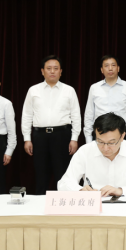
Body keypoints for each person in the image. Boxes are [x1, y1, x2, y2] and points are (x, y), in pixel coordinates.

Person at [58, 112, 126, 196]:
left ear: (122, 136)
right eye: (100, 141)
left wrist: (121, 191)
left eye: (111, 143)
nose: (105, 148)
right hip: (94, 207)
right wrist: (80, 190)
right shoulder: (85, 151)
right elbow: (63, 183)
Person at [22, 55, 82, 194]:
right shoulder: (33, 90)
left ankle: (63, 202)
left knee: (62, 173)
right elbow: (27, 115)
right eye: (49, 68)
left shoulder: (69, 90)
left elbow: (76, 116)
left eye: (56, 68)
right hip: (40, 136)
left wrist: (74, 138)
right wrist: (27, 139)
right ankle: (40, 202)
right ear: (42, 71)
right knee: (41, 173)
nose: (52, 71)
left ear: (61, 71)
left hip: (62, 135)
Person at [83, 55, 126, 144]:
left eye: (113, 65)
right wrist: (88, 139)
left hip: (121, 133)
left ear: (118, 68)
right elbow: (89, 114)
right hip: (100, 132)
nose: (110, 68)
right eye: (106, 66)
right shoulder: (94, 88)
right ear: (102, 70)